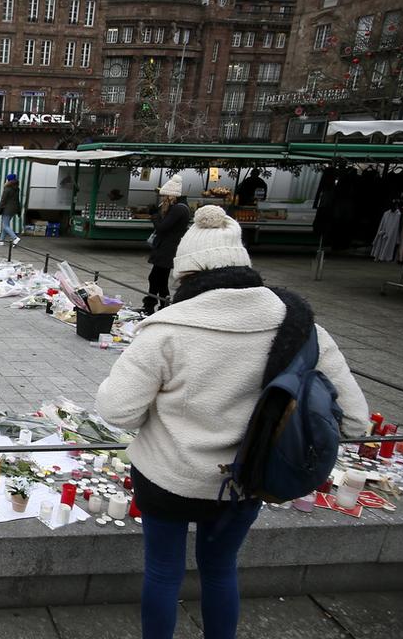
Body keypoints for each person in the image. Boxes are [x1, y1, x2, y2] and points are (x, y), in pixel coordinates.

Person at [95, 205, 368, 639]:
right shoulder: (301, 326)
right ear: (243, 261)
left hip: (167, 477)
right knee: (220, 570)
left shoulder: (167, 328)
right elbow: (355, 420)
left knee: (163, 574)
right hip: (248, 477)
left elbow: (117, 411)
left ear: (184, 271)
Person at [144, 176, 190, 315]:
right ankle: (155, 305)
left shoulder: (179, 209)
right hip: (166, 247)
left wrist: (154, 216)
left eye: (164, 196)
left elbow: (162, 227)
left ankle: (159, 306)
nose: (162, 199)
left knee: (159, 279)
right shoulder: (178, 207)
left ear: (171, 195)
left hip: (168, 249)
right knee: (156, 278)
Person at [0, 173, 22, 246]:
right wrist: (19, 210)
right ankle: (1, 240)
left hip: (7, 210)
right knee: (6, 225)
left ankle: (15, 238)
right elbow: (17, 200)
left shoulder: (7, 189)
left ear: (8, 180)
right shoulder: (17, 189)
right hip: (13, 210)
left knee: (5, 225)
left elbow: (3, 201)